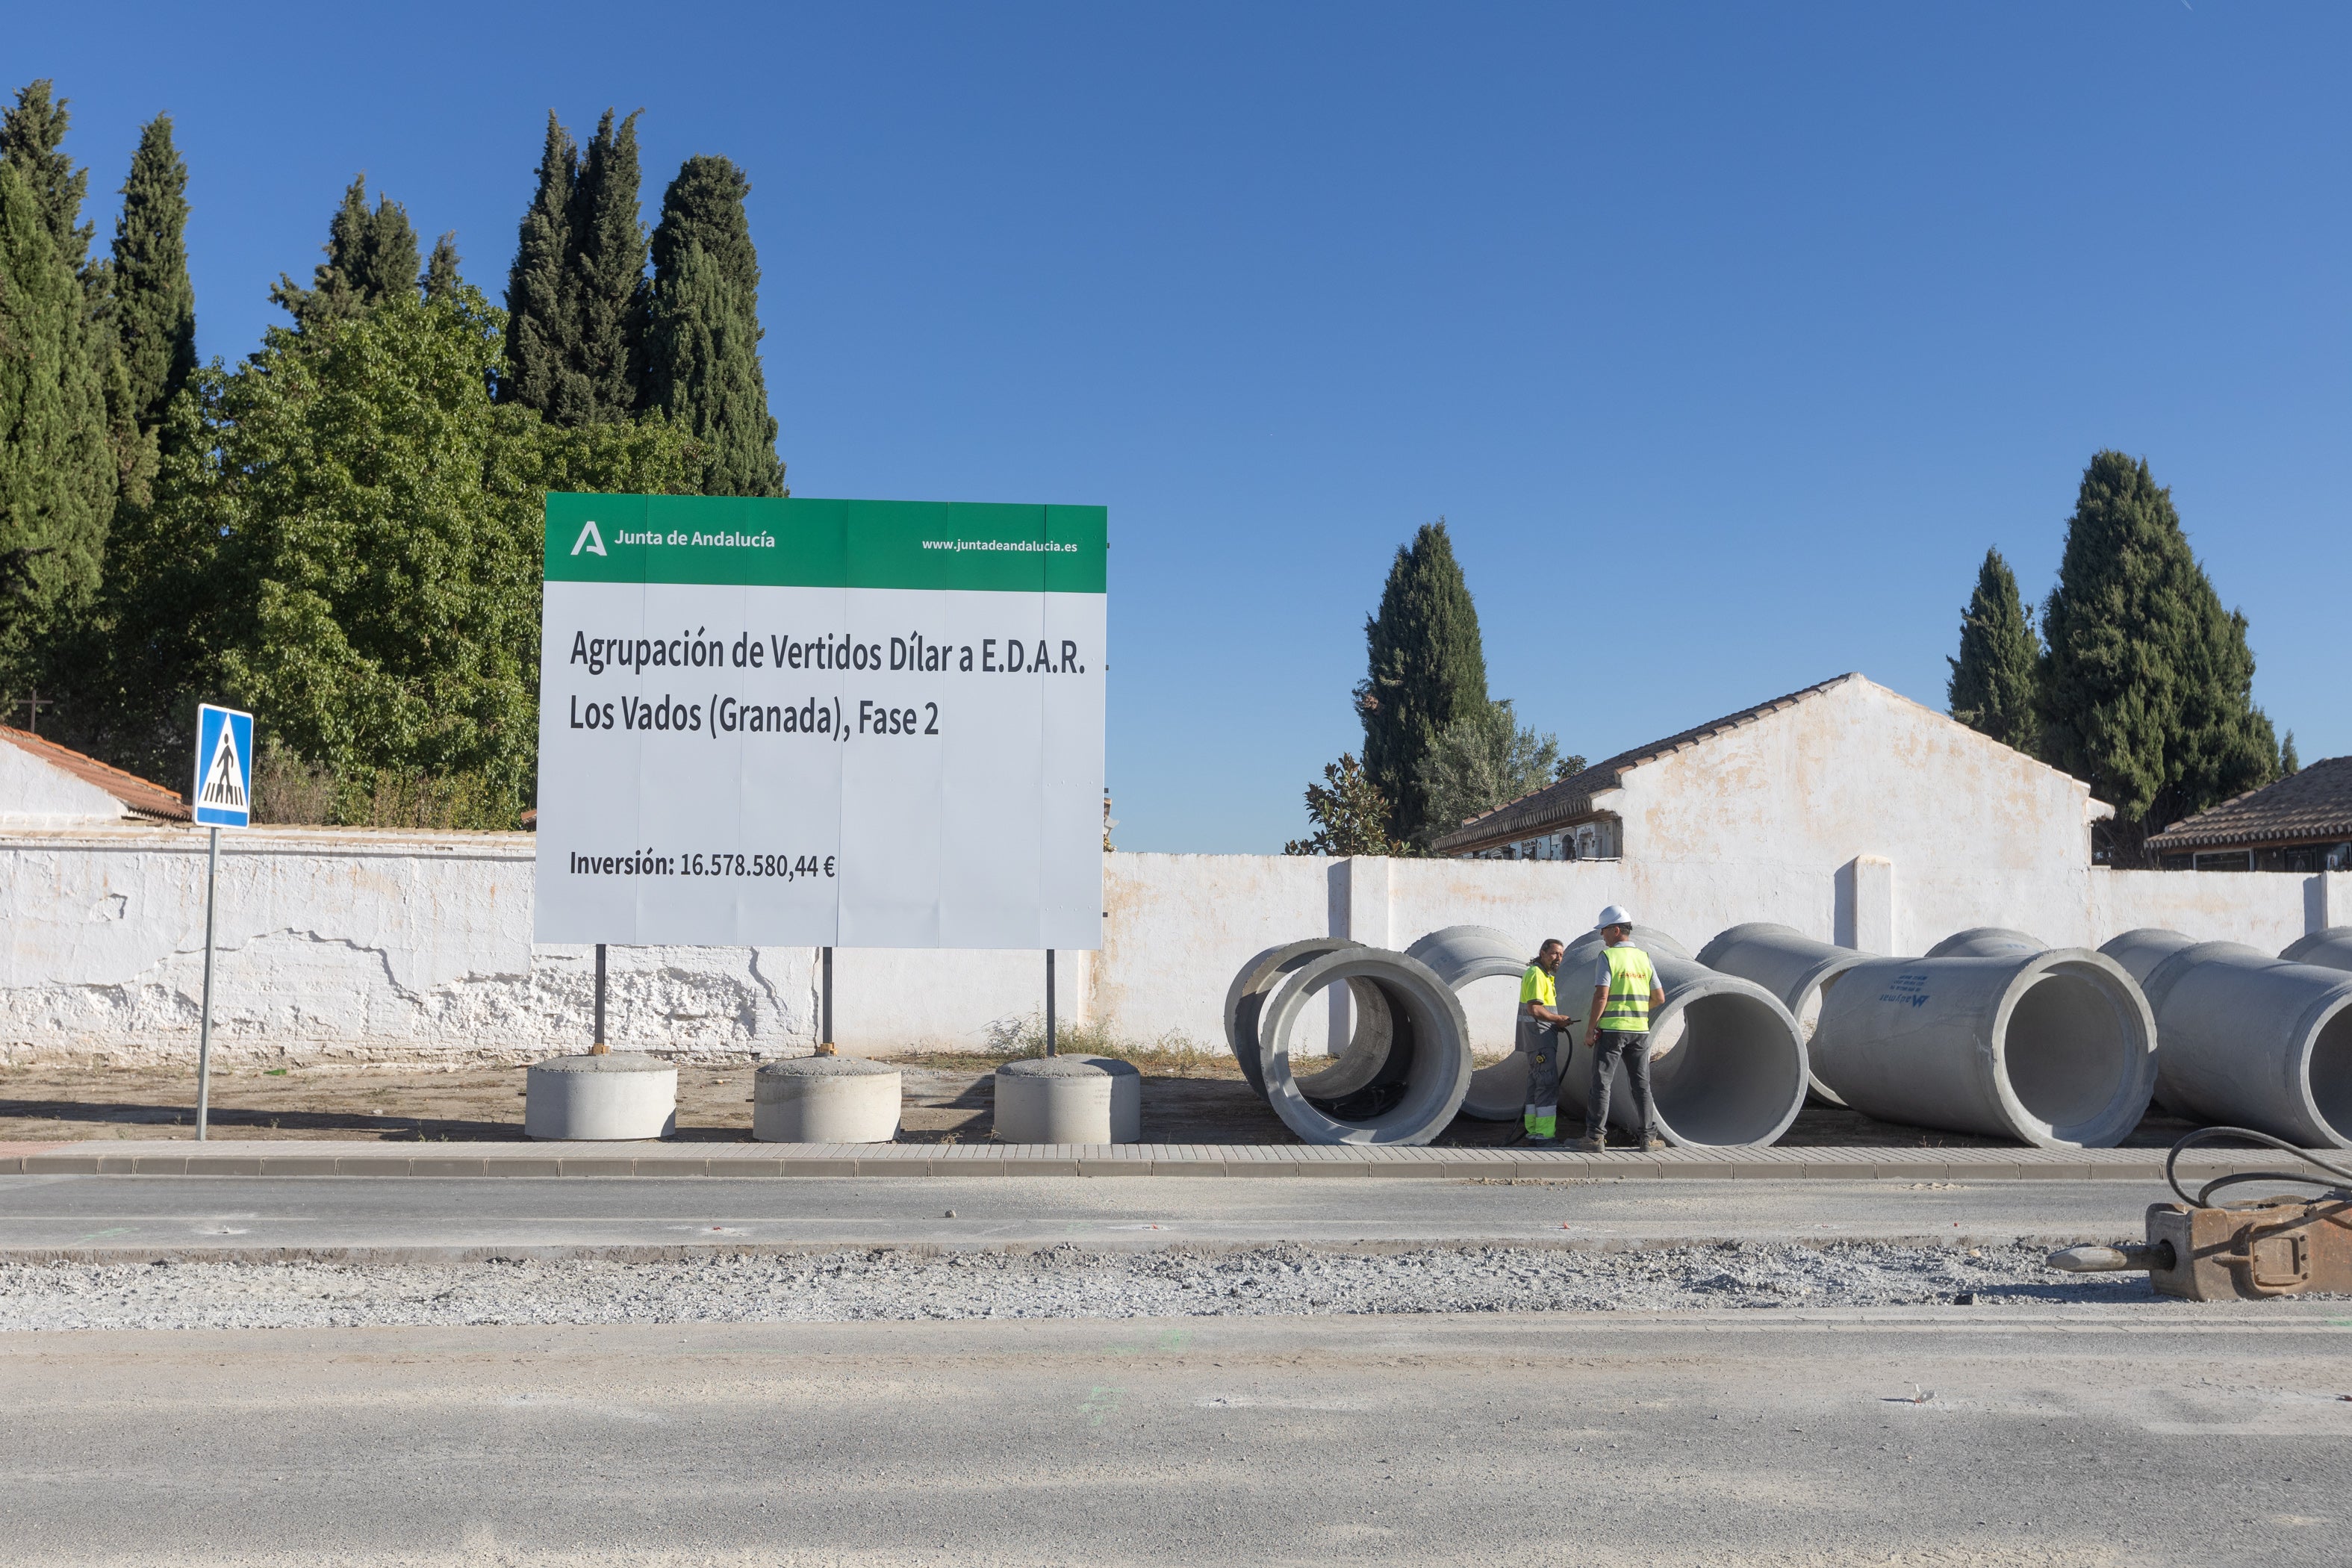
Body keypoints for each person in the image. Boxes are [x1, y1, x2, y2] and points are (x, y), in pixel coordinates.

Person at [1572, 905, 1668, 1153]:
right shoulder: (1644, 958)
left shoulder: (1608, 958)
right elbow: (1659, 997)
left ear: (1616, 930)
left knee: (1602, 1083)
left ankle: (1595, 1138)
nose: (1601, 936)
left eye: (1603, 931)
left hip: (1612, 1030)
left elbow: (1601, 996)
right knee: (1641, 1085)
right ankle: (1649, 1138)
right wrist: (1637, 1010)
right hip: (1639, 1031)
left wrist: (1590, 1029)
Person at [1516, 939, 1573, 1142]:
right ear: (1542, 953)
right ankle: (1544, 1135)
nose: (1558, 958)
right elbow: (1535, 1009)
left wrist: (1554, 1023)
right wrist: (1558, 1019)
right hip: (1539, 1039)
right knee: (1547, 1086)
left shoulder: (1544, 976)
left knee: (1536, 1085)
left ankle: (1533, 1131)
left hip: (1539, 1039)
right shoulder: (1537, 975)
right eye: (1554, 953)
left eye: (1561, 955)